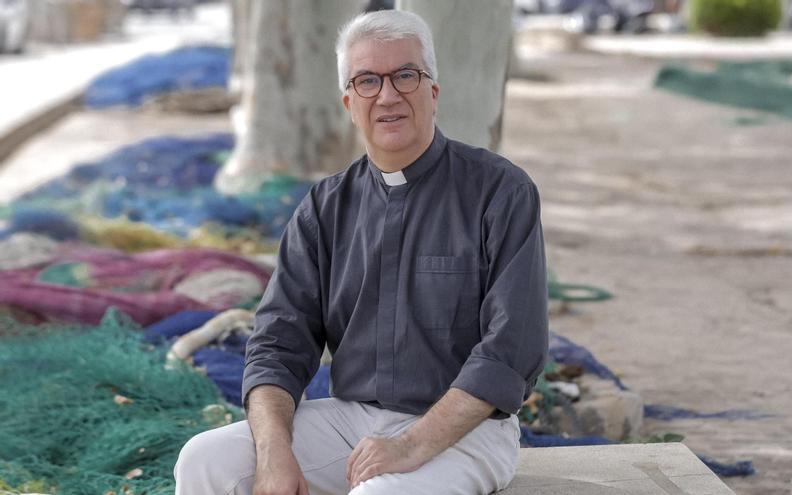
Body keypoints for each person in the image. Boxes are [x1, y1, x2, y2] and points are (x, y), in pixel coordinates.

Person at [174, 9, 548, 495]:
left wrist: (412, 444)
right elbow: (277, 344)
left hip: (469, 432)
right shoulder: (324, 207)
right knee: (204, 460)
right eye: (367, 80)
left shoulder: (501, 192)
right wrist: (274, 452)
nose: (388, 95)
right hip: (350, 421)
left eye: (405, 76)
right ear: (349, 102)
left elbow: (512, 350)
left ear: (433, 91)